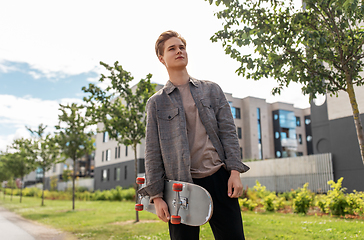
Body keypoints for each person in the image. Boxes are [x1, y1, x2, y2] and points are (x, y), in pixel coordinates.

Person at [138, 30, 250, 240]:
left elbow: (228, 133)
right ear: (161, 58)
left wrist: (235, 172)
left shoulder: (212, 90)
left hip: (220, 179)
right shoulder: (156, 103)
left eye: (182, 47)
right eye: (172, 48)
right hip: (181, 187)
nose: (179, 51)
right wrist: (156, 196)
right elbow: (152, 150)